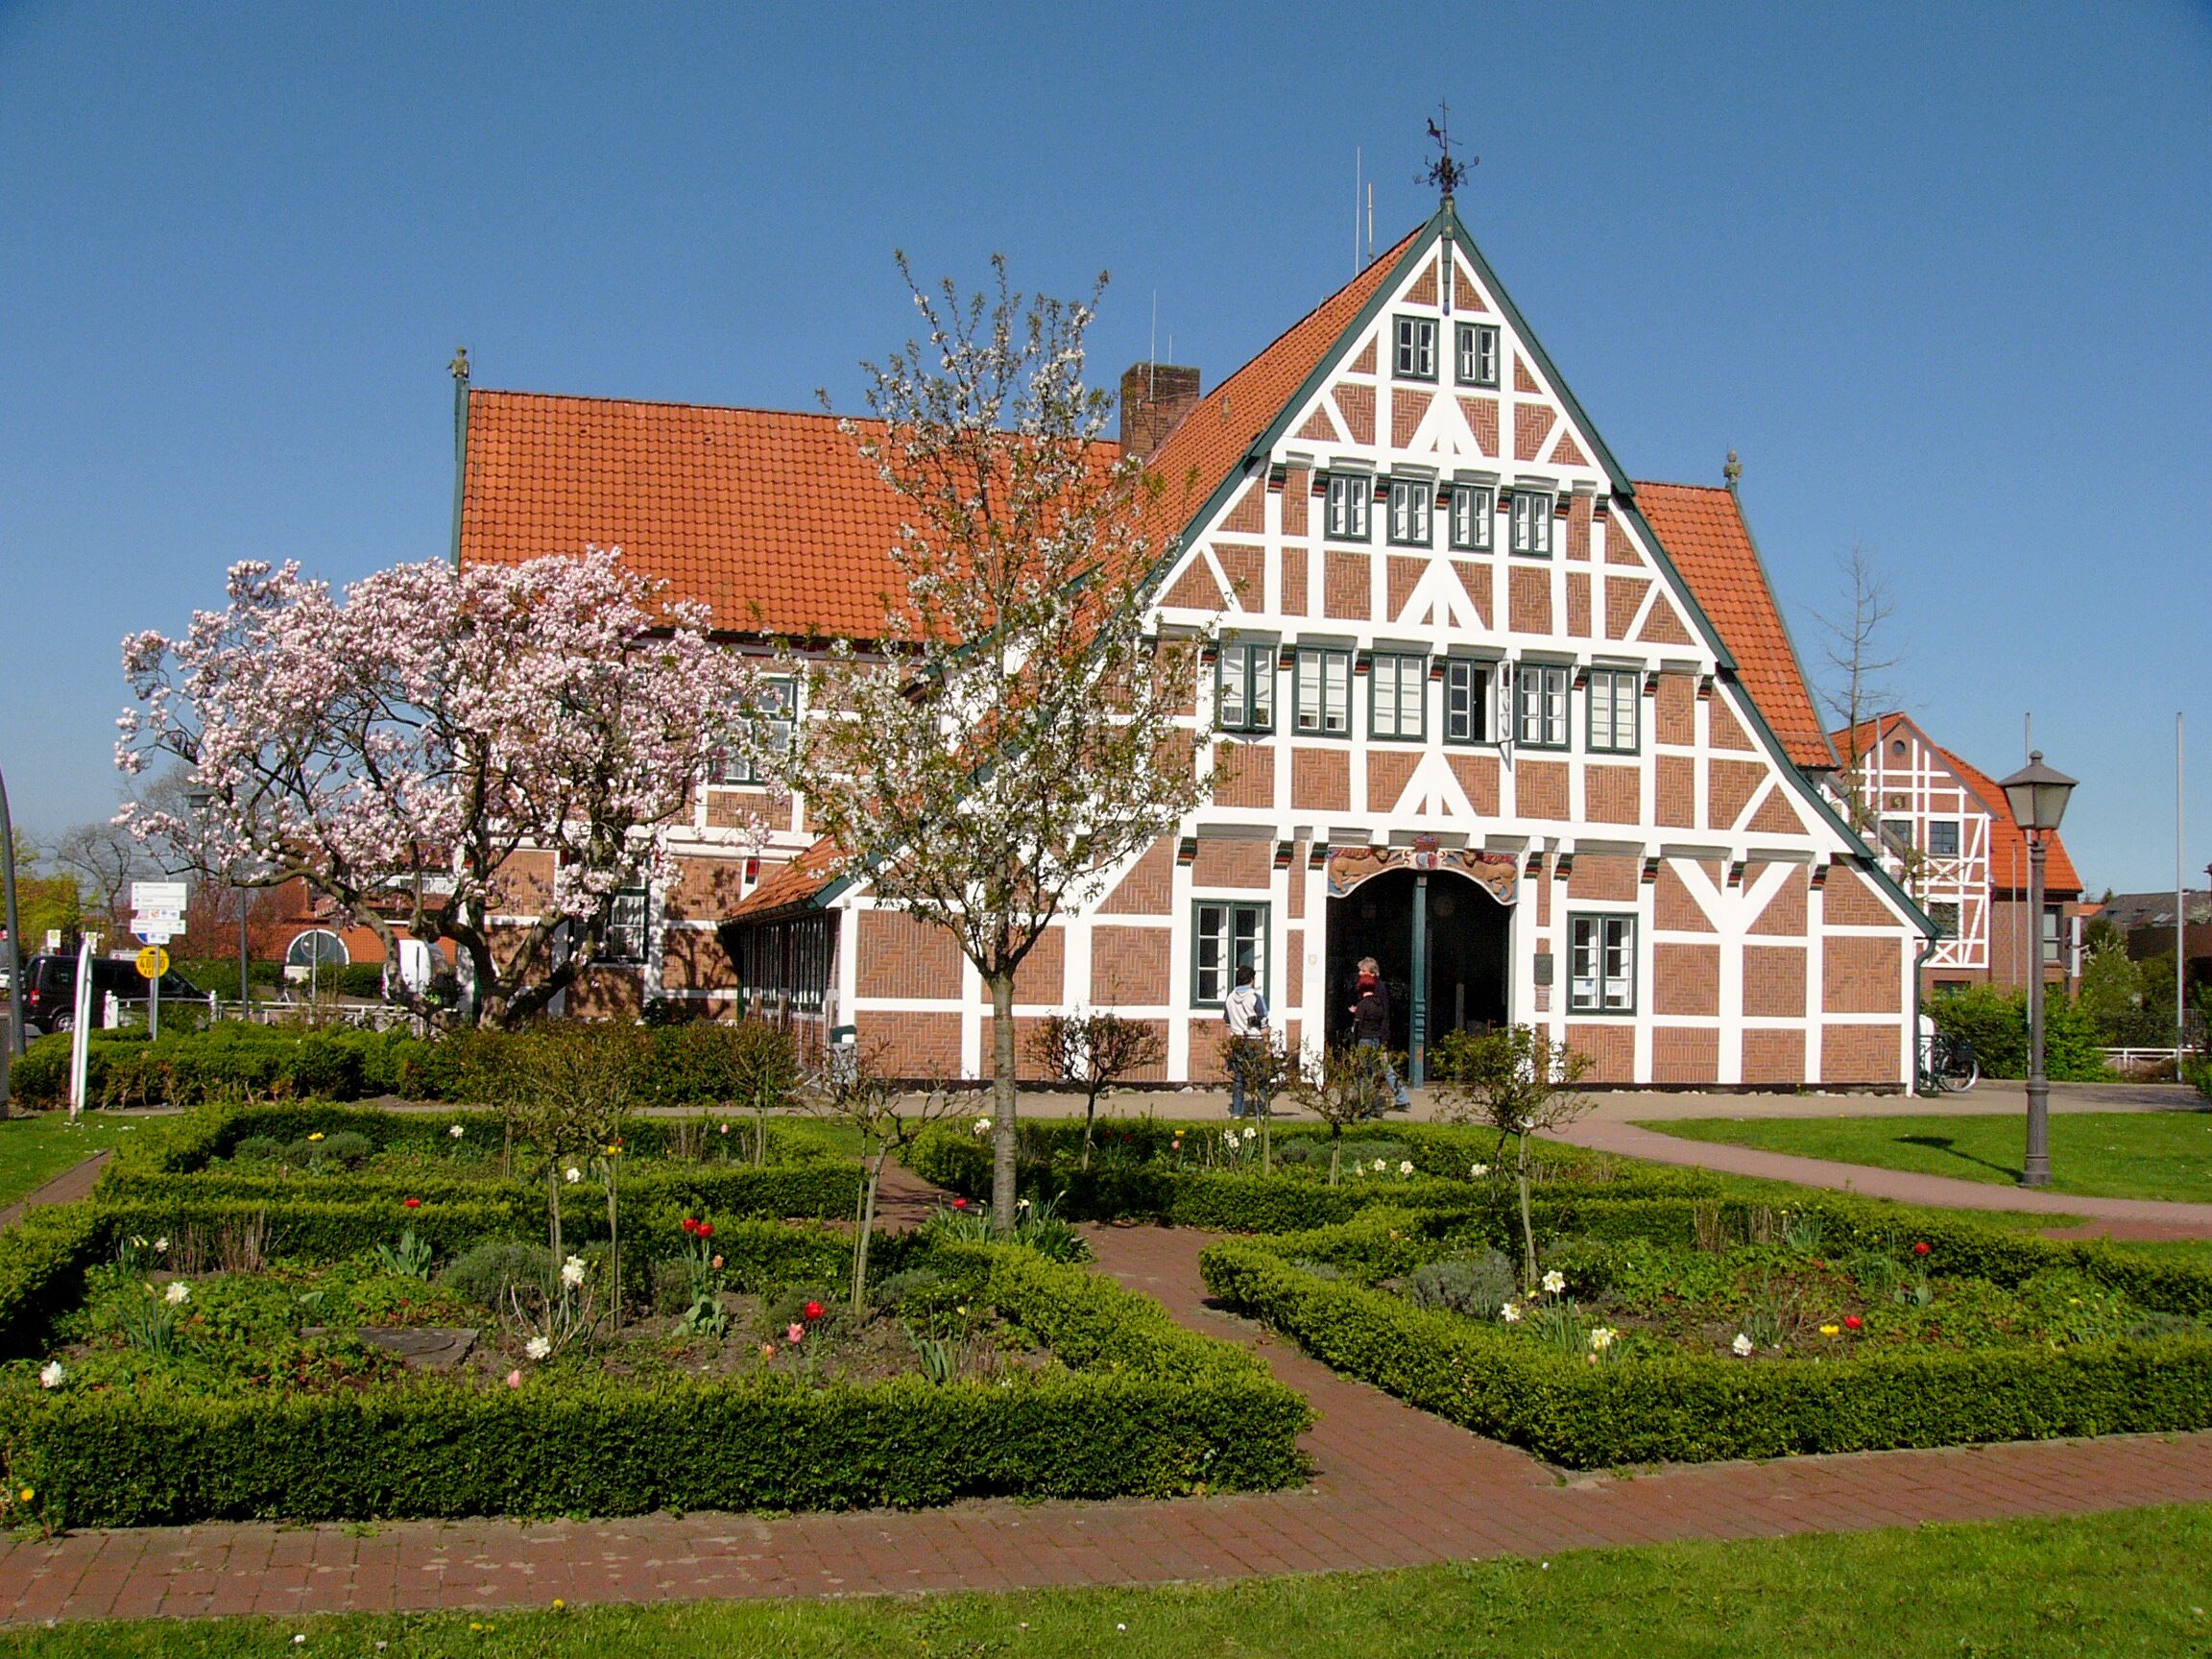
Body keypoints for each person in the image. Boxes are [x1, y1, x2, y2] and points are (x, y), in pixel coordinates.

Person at [1348, 957, 1412, 1110]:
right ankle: (1398, 1098)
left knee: (1370, 1070)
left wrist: (1384, 1039)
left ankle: (1368, 1102)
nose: (1360, 973)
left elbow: (1383, 1016)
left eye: (1363, 971)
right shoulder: (1371, 991)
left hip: (1372, 1036)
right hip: (1376, 1035)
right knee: (1378, 1069)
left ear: (1372, 973)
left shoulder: (1377, 989)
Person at [1223, 964, 1269, 1118]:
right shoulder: (1255, 997)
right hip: (1254, 1040)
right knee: (1261, 1077)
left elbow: (1228, 1024)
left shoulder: (1229, 998)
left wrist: (1230, 1043)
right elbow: (1263, 1022)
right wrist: (1267, 1045)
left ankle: (1237, 1110)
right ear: (1251, 979)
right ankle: (1261, 1110)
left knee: (1239, 1077)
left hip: (1237, 1039)